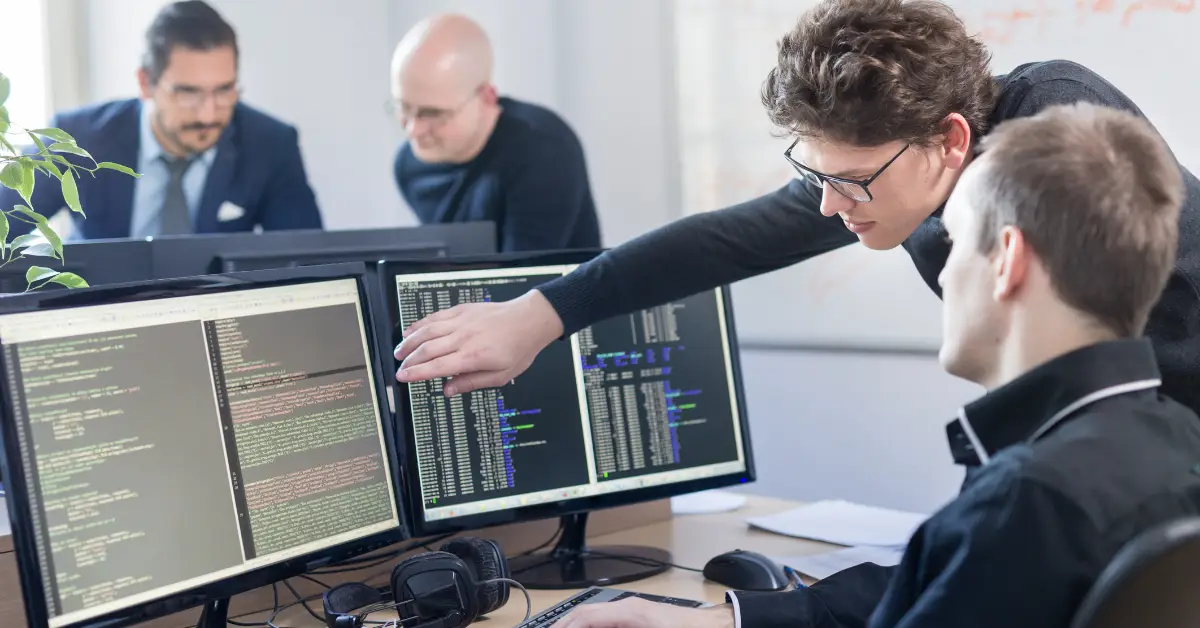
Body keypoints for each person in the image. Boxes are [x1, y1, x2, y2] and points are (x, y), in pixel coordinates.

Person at [390, 0, 1200, 423]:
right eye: (818, 173)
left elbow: (1083, 396)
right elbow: (729, 241)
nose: (826, 203)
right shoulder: (887, 166)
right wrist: (541, 315)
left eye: (849, 179)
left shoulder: (1049, 141)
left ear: (951, 142)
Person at [556, 101, 1200, 627]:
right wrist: (731, 619)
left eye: (955, 243)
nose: (942, 272)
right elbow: (937, 590)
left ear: (1007, 261)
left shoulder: (1026, 500)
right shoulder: (1177, 443)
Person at [0, 0, 323, 240]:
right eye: (188, 92)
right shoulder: (76, 137)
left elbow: (307, 263)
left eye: (224, 90)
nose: (209, 114)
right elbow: (4, 227)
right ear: (146, 83)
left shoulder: (271, 143)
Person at [389, 13, 602, 253]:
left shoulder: (543, 150)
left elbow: (527, 280)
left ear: (487, 97)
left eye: (434, 113)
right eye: (404, 107)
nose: (413, 130)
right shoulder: (409, 165)